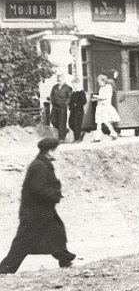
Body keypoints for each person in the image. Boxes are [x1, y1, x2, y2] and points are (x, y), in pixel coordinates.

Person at [0, 138, 76, 274]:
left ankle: (65, 259)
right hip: (34, 212)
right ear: (50, 151)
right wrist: (55, 194)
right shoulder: (39, 166)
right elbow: (38, 189)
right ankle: (4, 270)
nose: (58, 153)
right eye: (56, 150)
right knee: (23, 243)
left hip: (40, 210)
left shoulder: (42, 164)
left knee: (56, 232)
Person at [92, 75, 120, 141]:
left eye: (100, 82)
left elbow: (105, 96)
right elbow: (101, 97)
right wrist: (96, 99)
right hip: (100, 107)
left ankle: (114, 133)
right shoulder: (101, 88)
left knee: (106, 121)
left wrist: (96, 96)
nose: (99, 83)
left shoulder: (108, 87)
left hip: (105, 107)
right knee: (99, 122)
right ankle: (97, 137)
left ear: (104, 81)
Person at [49, 73, 72, 142]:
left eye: (60, 80)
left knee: (62, 122)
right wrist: (51, 100)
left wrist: (65, 104)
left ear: (64, 80)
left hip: (62, 107)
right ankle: (64, 130)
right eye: (58, 80)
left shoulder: (67, 88)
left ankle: (61, 138)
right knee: (53, 120)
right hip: (55, 106)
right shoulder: (55, 87)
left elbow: (69, 97)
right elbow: (52, 95)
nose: (59, 82)